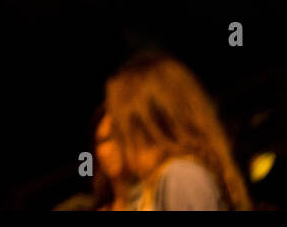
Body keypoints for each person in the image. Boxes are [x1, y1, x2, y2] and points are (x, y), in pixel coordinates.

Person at [103, 52, 249, 211]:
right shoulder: (160, 180)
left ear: (140, 123)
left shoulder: (179, 176)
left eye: (119, 124)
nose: (118, 137)